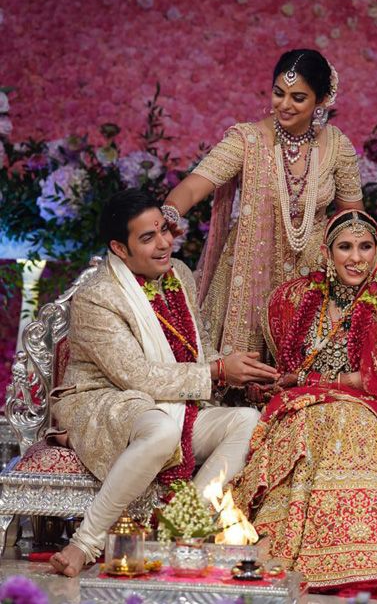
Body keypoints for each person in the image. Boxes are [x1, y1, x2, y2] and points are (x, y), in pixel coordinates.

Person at [231, 209, 377, 598]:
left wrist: (308, 383)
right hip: (304, 410)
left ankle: (366, 562)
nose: (356, 258)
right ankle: (279, 549)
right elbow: (282, 368)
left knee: (345, 422)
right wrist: (272, 385)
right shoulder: (297, 300)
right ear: (328, 252)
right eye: (345, 247)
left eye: (365, 247)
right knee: (312, 426)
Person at [49, 188, 278, 577]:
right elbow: (136, 375)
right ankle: (85, 543)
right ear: (120, 249)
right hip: (106, 401)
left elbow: (198, 352)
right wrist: (218, 372)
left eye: (164, 231)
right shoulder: (97, 297)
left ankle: (180, 527)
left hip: (171, 404)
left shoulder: (180, 276)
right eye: (148, 238)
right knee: (160, 432)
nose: (164, 244)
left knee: (246, 421)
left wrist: (240, 374)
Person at [163, 49, 364, 358]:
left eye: (298, 98)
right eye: (278, 93)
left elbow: (353, 220)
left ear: (321, 100)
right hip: (251, 272)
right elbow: (192, 187)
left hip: (315, 278)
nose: (284, 104)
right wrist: (167, 214)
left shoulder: (337, 145)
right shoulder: (247, 141)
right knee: (243, 384)